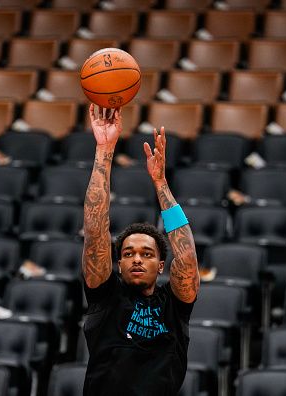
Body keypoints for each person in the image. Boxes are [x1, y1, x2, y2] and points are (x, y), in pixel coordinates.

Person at [81, 104, 200, 396]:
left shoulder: (174, 306)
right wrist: (104, 151)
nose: (136, 258)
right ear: (117, 264)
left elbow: (185, 256)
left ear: (161, 266)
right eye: (128, 253)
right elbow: (95, 227)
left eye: (147, 254)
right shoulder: (105, 297)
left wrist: (161, 183)